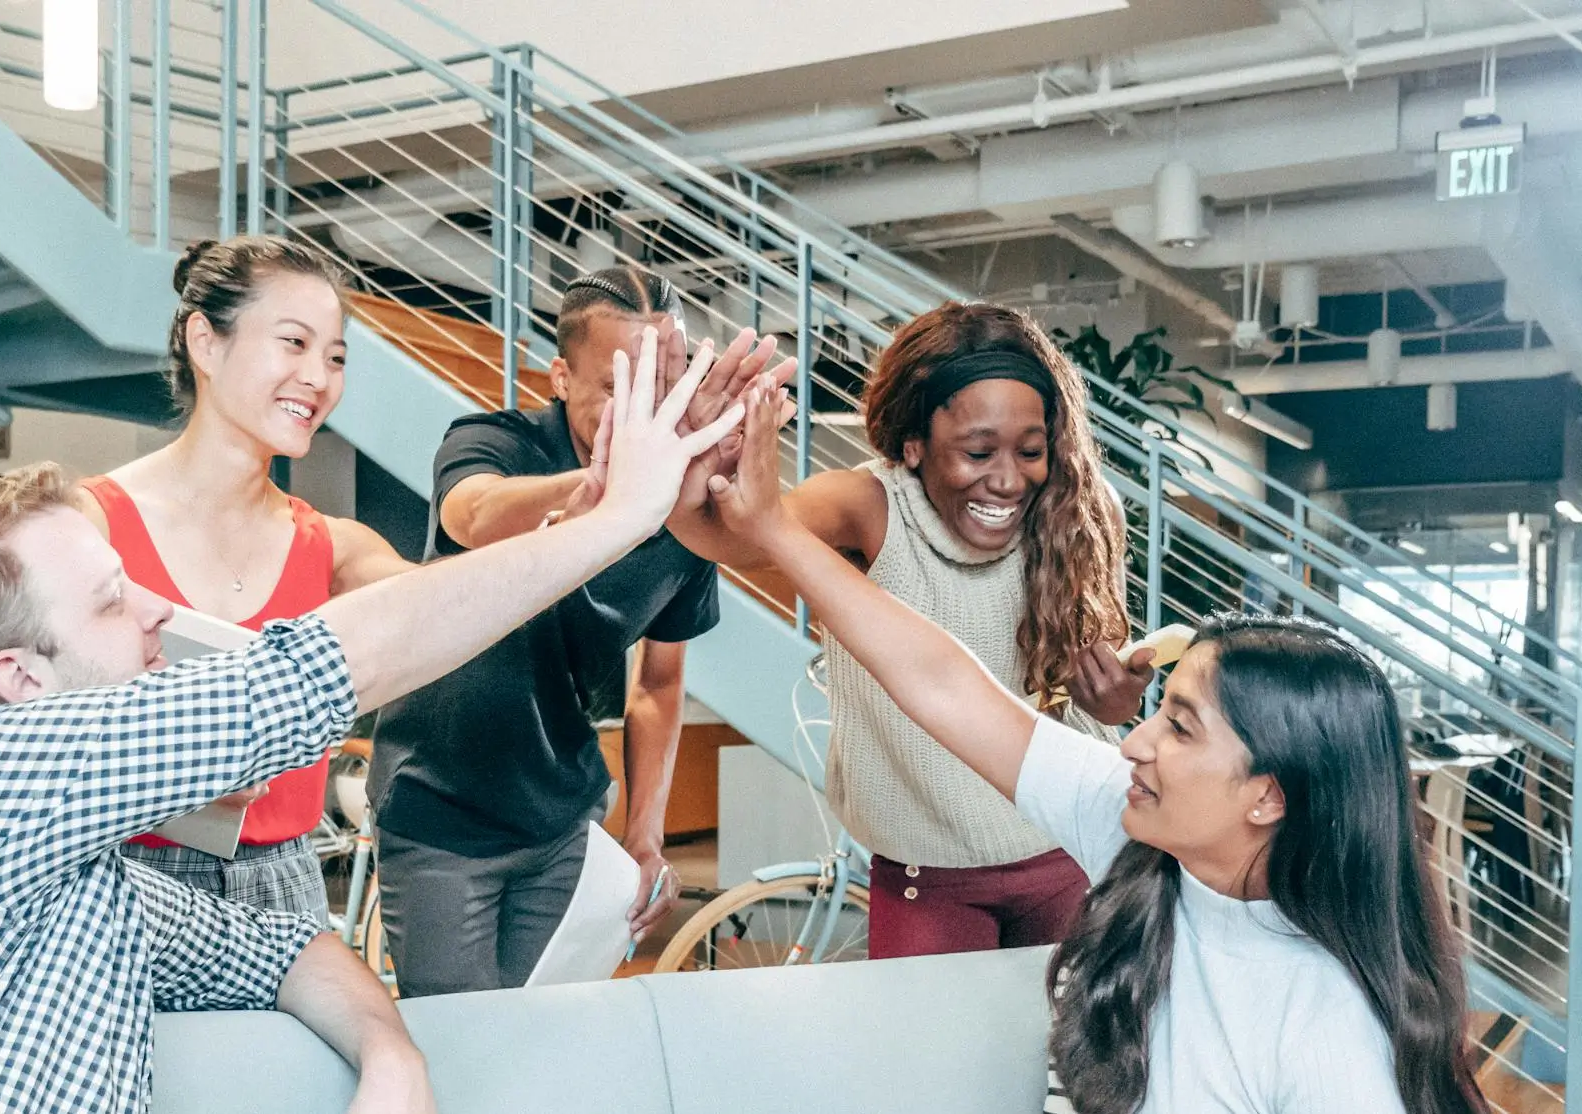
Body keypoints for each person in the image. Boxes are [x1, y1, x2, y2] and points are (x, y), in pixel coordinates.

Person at [0, 326, 745, 1114]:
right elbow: (314, 670)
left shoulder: (77, 874)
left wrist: (390, 1053)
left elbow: (277, 951)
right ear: (16, 680)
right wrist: (617, 516)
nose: (159, 610)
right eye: (106, 600)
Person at [703, 385, 1485, 1114]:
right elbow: (943, 683)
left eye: (1179, 727)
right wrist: (772, 527)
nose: (1135, 740)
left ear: (1268, 795)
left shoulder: (1331, 1028)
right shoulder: (1131, 835)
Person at [667, 301, 1148, 958]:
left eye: (1028, 449)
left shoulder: (1081, 511)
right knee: (926, 1059)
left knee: (1069, 1056)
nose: (1006, 478)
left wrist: (1119, 701)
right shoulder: (868, 505)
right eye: (977, 450)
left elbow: (1106, 698)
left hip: (1075, 851)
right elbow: (729, 537)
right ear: (913, 443)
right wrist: (691, 464)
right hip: (929, 874)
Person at [368, 265, 785, 997]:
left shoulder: (684, 512)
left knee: (545, 1041)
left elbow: (659, 685)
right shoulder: (496, 441)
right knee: (463, 1049)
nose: (648, 414)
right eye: (620, 390)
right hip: (442, 813)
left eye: (666, 386)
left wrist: (646, 835)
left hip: (563, 822)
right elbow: (471, 513)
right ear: (560, 376)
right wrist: (597, 496)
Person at [72, 236, 413, 913]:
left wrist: (583, 524)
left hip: (285, 884)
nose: (319, 377)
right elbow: (19, 724)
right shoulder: (89, 526)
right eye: (294, 342)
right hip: (123, 879)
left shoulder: (333, 547)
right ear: (206, 342)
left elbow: (458, 610)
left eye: (336, 357)